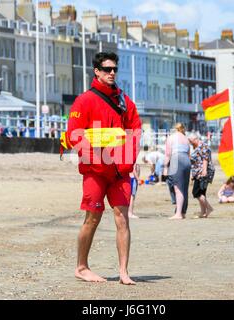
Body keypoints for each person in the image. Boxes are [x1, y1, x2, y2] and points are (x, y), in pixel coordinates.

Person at [64, 52, 142, 285]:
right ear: (96, 71)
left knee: (122, 219)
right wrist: (98, 162)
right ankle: (81, 267)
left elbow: (135, 131)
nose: (112, 73)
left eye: (114, 69)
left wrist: (125, 163)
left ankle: (123, 271)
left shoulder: (125, 101)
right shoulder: (84, 101)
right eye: (107, 69)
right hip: (95, 171)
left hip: (119, 171)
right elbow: (74, 135)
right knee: (93, 218)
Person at [164, 123, 191, 220]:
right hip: (186, 161)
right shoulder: (186, 139)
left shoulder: (171, 137)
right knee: (184, 188)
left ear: (175, 129)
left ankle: (178, 214)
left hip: (176, 158)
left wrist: (165, 168)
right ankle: (183, 212)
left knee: (177, 188)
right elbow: (189, 154)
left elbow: (168, 154)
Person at [189, 133, 215, 218]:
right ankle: (203, 213)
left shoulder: (203, 146)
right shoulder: (197, 147)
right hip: (198, 172)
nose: (190, 143)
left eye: (191, 141)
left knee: (196, 192)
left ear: (195, 139)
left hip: (203, 172)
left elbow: (205, 159)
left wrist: (204, 171)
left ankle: (209, 208)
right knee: (202, 193)